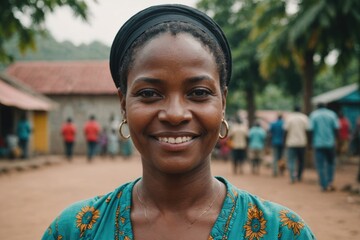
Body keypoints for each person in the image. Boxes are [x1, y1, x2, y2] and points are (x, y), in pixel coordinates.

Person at [42, 4, 315, 239]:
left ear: (223, 103)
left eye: (199, 93)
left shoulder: (283, 231)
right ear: (123, 104)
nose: (174, 114)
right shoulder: (75, 230)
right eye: (149, 94)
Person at [309, 103, 339, 192]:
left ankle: (323, 185)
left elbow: (310, 130)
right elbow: (336, 128)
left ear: (317, 107)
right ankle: (330, 182)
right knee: (331, 163)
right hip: (330, 143)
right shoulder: (332, 114)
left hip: (318, 144)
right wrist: (336, 141)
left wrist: (310, 143)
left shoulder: (314, 115)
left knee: (320, 165)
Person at [284, 106, 309, 183]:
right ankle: (299, 176)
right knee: (301, 160)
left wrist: (284, 141)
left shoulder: (289, 118)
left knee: (291, 160)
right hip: (302, 143)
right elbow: (308, 130)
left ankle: (292, 177)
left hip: (291, 143)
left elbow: (285, 131)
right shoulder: (304, 118)